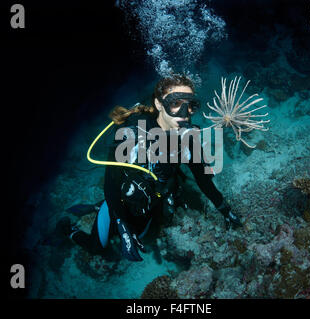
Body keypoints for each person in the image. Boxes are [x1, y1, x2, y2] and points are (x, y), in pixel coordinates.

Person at [58, 74, 242, 262]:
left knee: (146, 233)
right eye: (176, 103)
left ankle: (100, 208)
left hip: (153, 199)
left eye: (191, 105)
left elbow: (203, 180)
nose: (184, 112)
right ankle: (69, 229)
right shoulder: (131, 133)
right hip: (120, 199)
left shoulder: (187, 139)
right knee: (97, 247)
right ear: (159, 104)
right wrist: (123, 226)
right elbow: (110, 185)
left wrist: (225, 210)